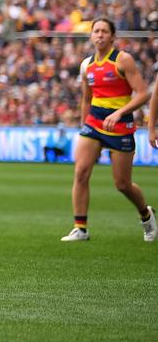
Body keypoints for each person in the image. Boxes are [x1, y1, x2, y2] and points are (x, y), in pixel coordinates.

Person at [60, 19, 156, 242]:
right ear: (91, 36)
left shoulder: (123, 60)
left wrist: (119, 113)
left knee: (122, 184)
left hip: (120, 127)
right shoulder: (87, 65)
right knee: (81, 172)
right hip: (94, 125)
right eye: (96, 31)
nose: (100, 35)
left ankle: (146, 214)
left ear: (112, 36)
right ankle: (80, 227)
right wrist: (85, 124)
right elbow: (87, 98)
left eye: (104, 31)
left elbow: (143, 94)